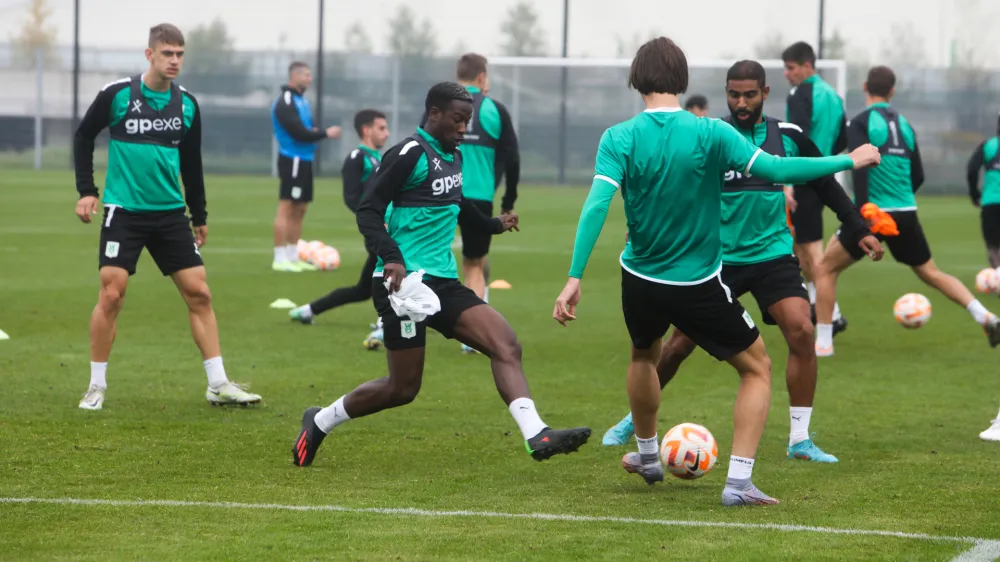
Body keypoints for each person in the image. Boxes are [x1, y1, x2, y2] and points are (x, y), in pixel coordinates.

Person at [552, 37, 880, 506]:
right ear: (682, 81)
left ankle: (647, 454)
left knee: (644, 356)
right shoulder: (710, 133)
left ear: (635, 80)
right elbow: (776, 167)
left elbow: (596, 206)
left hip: (638, 277)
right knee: (756, 368)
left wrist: (574, 277)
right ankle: (739, 483)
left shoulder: (617, 137)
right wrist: (850, 158)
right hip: (695, 282)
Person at [291, 82, 591, 468]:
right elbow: (368, 210)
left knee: (505, 344)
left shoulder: (454, 154)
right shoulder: (409, 153)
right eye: (457, 119)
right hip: (403, 288)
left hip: (444, 284)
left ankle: (536, 433)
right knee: (402, 388)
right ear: (434, 114)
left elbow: (458, 204)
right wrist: (392, 258)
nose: (463, 127)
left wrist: (493, 225)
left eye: (467, 120)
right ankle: (319, 421)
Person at [73, 23, 262, 410]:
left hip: (171, 214)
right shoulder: (117, 95)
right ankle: (96, 386)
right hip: (124, 212)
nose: (175, 60)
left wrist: (200, 215)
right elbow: (82, 136)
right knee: (112, 293)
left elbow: (192, 163)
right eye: (167, 53)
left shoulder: (187, 105)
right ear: (150, 55)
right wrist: (87, 191)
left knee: (200, 292)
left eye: (180, 54)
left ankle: (217, 383)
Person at [812, 66, 1000, 358]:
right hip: (906, 212)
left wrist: (862, 212)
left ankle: (823, 344)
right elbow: (919, 174)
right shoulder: (906, 124)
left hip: (874, 213)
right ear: (892, 91)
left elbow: (859, 168)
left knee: (824, 268)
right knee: (930, 272)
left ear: (865, 87)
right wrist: (901, 197)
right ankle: (984, 316)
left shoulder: (861, 122)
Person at [289, 109, 391, 348]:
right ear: (366, 130)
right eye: (381, 128)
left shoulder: (379, 158)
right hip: (376, 230)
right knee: (394, 271)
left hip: (385, 227)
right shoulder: (357, 157)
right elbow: (352, 197)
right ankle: (384, 325)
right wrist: (374, 220)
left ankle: (308, 310)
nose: (387, 133)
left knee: (363, 289)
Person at [449, 53, 521, 354]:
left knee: (424, 259)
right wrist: (507, 201)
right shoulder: (495, 109)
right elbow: (513, 157)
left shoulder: (444, 107)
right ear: (482, 77)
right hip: (478, 197)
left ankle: (393, 324)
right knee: (474, 265)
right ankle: (472, 337)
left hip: (440, 192)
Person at [782, 41, 848, 332]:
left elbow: (797, 136)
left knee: (811, 249)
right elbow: (842, 140)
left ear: (807, 65)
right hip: (823, 175)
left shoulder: (800, 93)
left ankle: (831, 317)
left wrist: (789, 182)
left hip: (803, 177)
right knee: (799, 246)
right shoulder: (833, 95)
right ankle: (817, 305)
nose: (787, 74)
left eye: (791, 67)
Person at [271, 61, 342, 272]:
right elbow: (299, 132)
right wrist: (325, 134)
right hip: (292, 159)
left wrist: (317, 133)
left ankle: (293, 256)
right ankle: (279, 258)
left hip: (305, 159)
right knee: (287, 206)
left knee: (300, 208)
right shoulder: (286, 101)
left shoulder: (302, 100)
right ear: (295, 76)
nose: (310, 79)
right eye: (307, 75)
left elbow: (307, 129)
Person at [966, 110, 1000, 273]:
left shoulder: (988, 146)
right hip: (991, 201)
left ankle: (999, 276)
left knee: (993, 246)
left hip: (991, 202)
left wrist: (975, 194)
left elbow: (972, 170)